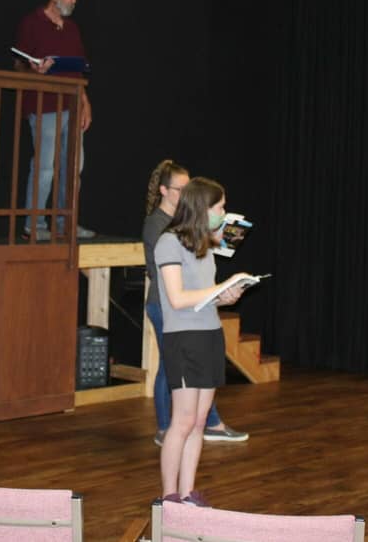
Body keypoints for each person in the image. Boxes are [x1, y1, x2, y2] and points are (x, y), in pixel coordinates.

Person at [155, 177, 254, 506]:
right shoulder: (168, 242)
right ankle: (169, 496)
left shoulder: (207, 243)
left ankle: (187, 493)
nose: (223, 213)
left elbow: (203, 296)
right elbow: (178, 298)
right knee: (182, 421)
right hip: (184, 338)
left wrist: (225, 296)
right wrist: (219, 288)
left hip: (210, 334)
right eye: (219, 207)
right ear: (202, 208)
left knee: (199, 421)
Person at [143, 160, 248, 446]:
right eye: (180, 188)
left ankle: (206, 423)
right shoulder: (159, 226)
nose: (185, 193)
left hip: (196, 308)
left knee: (191, 380)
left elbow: (214, 249)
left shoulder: (190, 227)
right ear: (164, 190)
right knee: (170, 369)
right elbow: (169, 274)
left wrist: (226, 232)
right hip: (165, 303)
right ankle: (167, 428)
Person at [14, 0, 95, 240]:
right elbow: (18, 64)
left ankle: (64, 223)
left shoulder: (72, 29)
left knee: (73, 167)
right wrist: (34, 70)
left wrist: (85, 103)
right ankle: (34, 225)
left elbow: (79, 70)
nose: (73, 0)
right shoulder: (32, 22)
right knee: (45, 166)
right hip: (44, 104)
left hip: (72, 103)